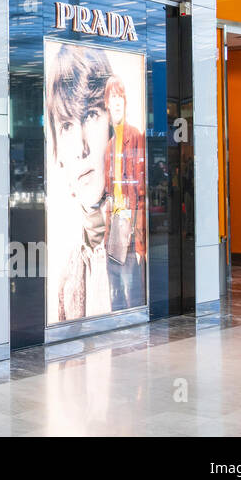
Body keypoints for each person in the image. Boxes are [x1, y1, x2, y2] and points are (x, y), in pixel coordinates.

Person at [47, 43, 114, 321]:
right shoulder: (68, 278)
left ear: (112, 125)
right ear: (57, 154)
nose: (81, 147)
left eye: (90, 115)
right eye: (66, 125)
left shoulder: (136, 257)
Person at [102, 75, 146, 309]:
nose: (117, 101)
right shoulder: (109, 146)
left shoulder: (135, 136)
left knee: (133, 287)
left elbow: (141, 191)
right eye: (113, 96)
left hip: (131, 222)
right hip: (115, 224)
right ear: (106, 102)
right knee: (115, 286)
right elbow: (110, 193)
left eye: (120, 96)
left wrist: (140, 241)